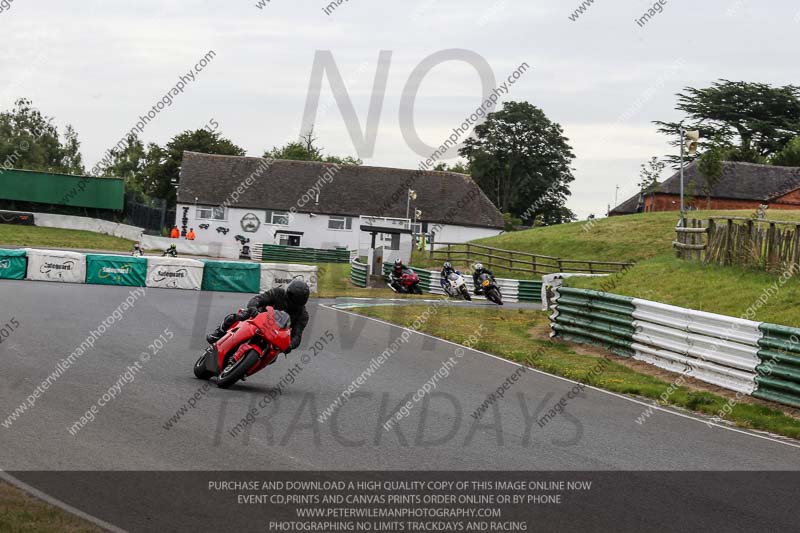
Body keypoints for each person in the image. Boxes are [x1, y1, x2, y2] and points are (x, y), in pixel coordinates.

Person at [206, 279, 310, 354]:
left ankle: (246, 367)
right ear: (288, 293)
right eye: (293, 298)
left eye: (297, 300)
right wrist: (253, 308)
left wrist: (290, 345)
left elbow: (297, 335)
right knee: (237, 317)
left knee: (273, 357)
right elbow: (258, 299)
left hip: (275, 335)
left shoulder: (303, 315)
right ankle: (219, 332)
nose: (293, 302)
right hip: (258, 318)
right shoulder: (278, 293)